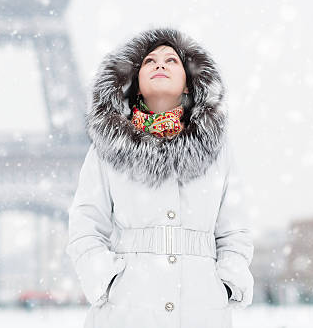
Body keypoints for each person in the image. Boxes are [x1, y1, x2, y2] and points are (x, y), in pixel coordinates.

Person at [65, 27, 254, 328]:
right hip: (127, 310)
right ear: (136, 85)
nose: (160, 64)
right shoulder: (106, 148)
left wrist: (226, 283)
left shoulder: (218, 150)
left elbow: (234, 229)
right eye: (150, 61)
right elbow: (86, 224)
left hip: (202, 309)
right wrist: (106, 280)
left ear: (189, 85)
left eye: (172, 60)